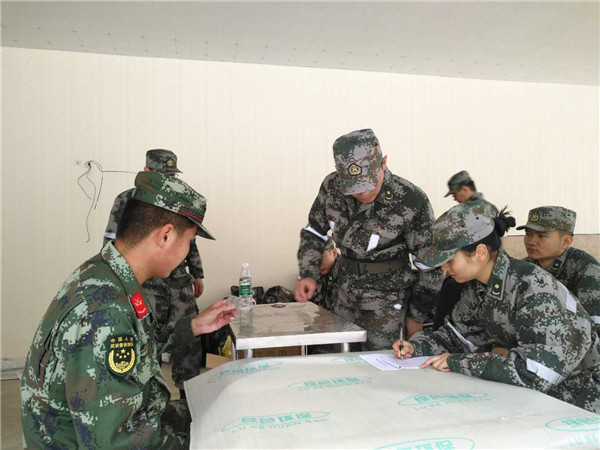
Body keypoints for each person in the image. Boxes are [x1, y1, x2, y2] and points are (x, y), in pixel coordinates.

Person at [21, 171, 236, 448]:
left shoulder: (108, 274)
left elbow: (135, 352)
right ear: (166, 236)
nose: (187, 253)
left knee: (219, 410)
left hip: (120, 423)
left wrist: (192, 326)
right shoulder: (103, 313)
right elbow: (116, 442)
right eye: (189, 241)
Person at [392, 202, 600, 413]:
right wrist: (416, 347)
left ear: (480, 253)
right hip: (541, 399)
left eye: (449, 260)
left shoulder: (534, 289)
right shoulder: (478, 287)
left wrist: (460, 363)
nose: (444, 267)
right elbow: (458, 337)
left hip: (581, 402)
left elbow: (535, 372)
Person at [296, 128, 441, 350]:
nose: (363, 194)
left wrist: (416, 318)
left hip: (387, 307)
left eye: (369, 183)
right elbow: (314, 231)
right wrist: (308, 274)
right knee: (343, 367)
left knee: (382, 372)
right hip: (343, 299)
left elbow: (430, 267)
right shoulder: (332, 188)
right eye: (355, 187)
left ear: (383, 163)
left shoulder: (410, 200)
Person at [104, 149, 205, 394]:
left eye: (171, 174)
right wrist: (120, 283)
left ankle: (189, 394)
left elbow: (188, 239)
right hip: (147, 285)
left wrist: (197, 272)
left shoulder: (178, 198)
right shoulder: (128, 200)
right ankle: (148, 396)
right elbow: (113, 243)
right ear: (146, 172)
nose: (167, 179)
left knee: (188, 338)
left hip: (178, 283)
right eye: (161, 174)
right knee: (146, 341)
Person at [518, 206, 600, 332]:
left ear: (566, 241)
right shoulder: (524, 267)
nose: (531, 241)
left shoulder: (588, 270)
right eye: (528, 234)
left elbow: (595, 328)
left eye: (541, 236)